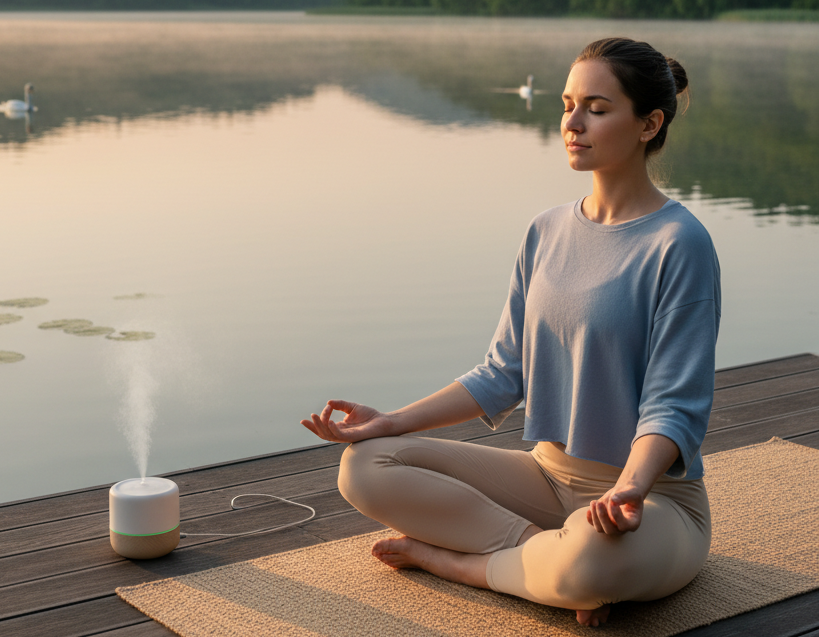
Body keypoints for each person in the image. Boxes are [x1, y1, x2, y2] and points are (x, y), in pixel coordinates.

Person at [301, 37, 720, 628]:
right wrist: (389, 420)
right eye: (567, 104)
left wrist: (626, 492)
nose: (573, 124)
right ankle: (535, 554)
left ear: (649, 123)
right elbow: (503, 373)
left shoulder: (679, 244)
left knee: (590, 567)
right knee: (365, 465)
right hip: (546, 477)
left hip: (651, 500)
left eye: (597, 109)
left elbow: (673, 407)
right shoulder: (545, 231)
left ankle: (461, 564)